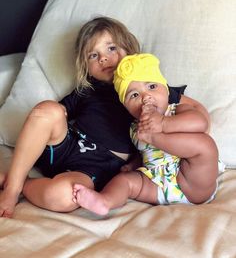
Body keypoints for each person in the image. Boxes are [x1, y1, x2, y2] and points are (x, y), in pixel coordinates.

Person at [0, 17, 210, 218]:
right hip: (66, 146)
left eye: (111, 48)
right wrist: (49, 117)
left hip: (95, 167)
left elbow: (199, 113)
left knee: (65, 196)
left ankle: (24, 184)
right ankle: (12, 187)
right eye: (93, 55)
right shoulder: (88, 89)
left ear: (128, 48)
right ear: (86, 66)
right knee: (48, 110)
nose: (103, 58)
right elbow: (57, 114)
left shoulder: (150, 88)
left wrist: (165, 124)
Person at [72, 53, 221, 216]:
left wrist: (163, 123)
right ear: (126, 106)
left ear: (166, 90)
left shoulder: (176, 110)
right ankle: (104, 201)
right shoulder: (136, 128)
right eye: (134, 95)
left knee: (205, 145)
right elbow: (142, 152)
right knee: (125, 181)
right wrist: (133, 165)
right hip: (156, 183)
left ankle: (156, 138)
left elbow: (201, 123)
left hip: (191, 181)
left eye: (151, 86)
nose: (145, 97)